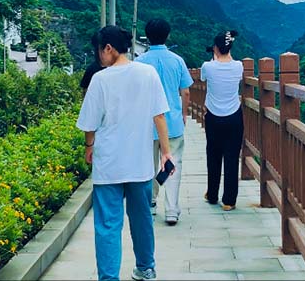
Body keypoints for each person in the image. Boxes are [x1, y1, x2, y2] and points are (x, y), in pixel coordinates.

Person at [76, 26, 174, 281]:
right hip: (139, 164)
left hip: (108, 164)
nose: (98, 55)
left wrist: (89, 146)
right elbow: (159, 116)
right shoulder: (148, 73)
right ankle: (146, 267)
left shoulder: (100, 79)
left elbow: (89, 124)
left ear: (108, 48)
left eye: (99, 50)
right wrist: (166, 153)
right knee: (141, 219)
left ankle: (109, 278)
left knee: (108, 224)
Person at [136, 18, 193, 226]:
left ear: (147, 36)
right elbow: (186, 91)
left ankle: (150, 203)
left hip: (147, 124)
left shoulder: (140, 63)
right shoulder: (177, 60)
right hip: (172, 122)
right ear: (167, 35)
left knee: (148, 165)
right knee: (172, 164)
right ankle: (171, 210)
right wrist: (184, 113)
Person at [200, 30, 244, 211]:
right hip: (234, 116)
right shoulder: (239, 66)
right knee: (232, 157)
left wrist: (215, 57)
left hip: (213, 116)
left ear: (215, 48)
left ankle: (212, 194)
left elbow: (203, 78)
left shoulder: (207, 67)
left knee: (213, 154)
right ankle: (229, 201)